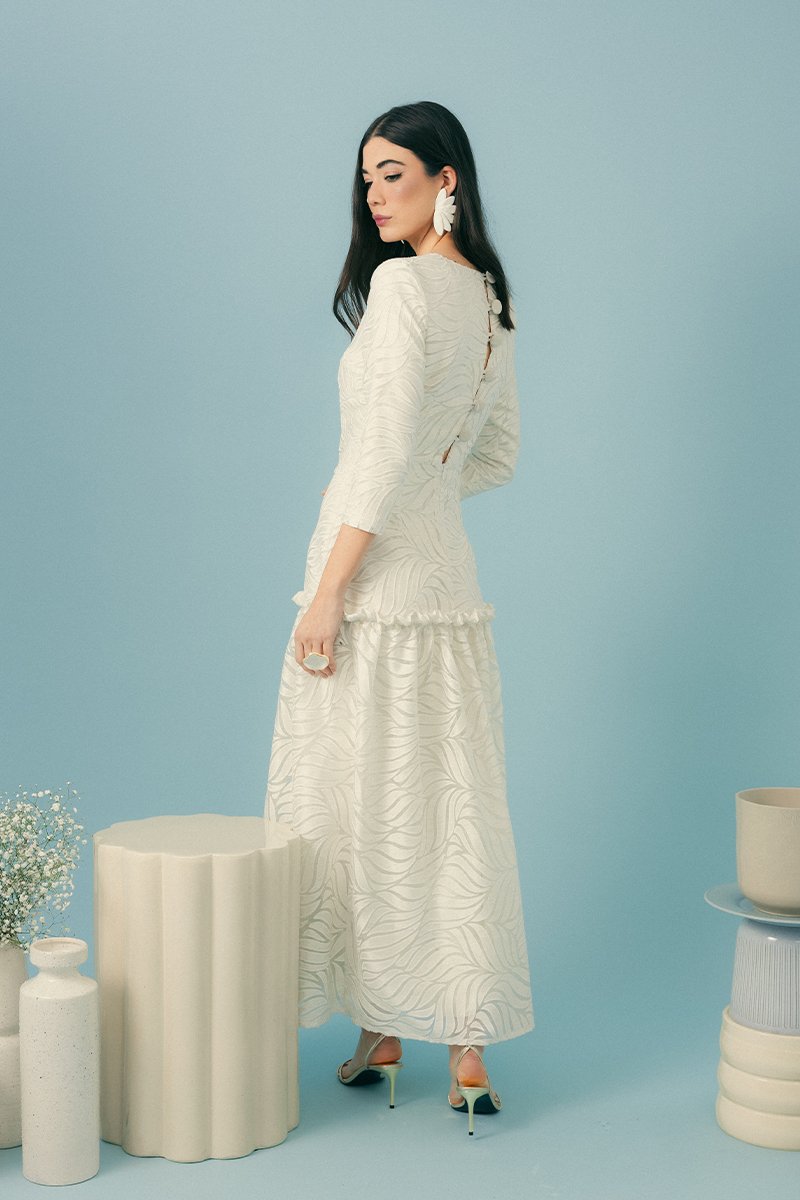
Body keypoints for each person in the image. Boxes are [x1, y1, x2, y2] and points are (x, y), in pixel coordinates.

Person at [265, 100, 534, 1135]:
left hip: (373, 592)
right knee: (446, 808)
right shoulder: (490, 300)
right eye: (367, 178)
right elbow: (495, 454)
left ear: (444, 178)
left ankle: (381, 1031)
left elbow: (378, 450)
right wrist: (420, 493)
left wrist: (333, 587)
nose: (375, 195)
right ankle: (456, 1049)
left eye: (394, 174)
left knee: (359, 805)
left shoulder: (404, 285)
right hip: (447, 591)